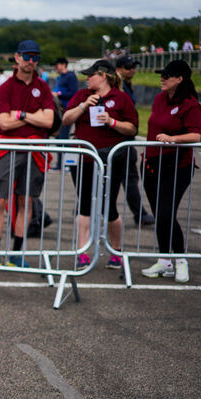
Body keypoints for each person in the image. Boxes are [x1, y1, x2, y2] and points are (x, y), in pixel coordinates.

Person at [62, 59, 138, 271]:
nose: (87, 78)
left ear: (103, 76)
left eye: (91, 74)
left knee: (109, 206)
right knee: (84, 203)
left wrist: (111, 122)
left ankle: (117, 251)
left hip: (112, 160)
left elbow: (132, 128)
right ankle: (82, 252)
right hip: (84, 159)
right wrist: (83, 106)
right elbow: (66, 119)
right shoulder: (82, 95)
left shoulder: (121, 98)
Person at [0, 40, 55, 267]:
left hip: (34, 149)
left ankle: (16, 253)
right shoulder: (5, 87)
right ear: (17, 57)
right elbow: (4, 123)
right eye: (27, 57)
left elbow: (49, 120)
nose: (31, 62)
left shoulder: (43, 87)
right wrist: (33, 117)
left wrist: (22, 115)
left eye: (36, 57)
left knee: (26, 201)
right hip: (9, 148)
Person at [140, 60, 201, 283]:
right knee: (160, 215)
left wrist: (172, 139)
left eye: (167, 75)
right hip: (151, 164)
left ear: (180, 79)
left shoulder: (190, 104)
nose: (162, 78)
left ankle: (181, 259)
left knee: (167, 213)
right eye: (162, 74)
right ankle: (165, 260)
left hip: (177, 166)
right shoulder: (159, 99)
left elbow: (196, 135)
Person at [116, 55, 157, 226]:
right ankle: (139, 213)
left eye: (133, 66)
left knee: (123, 178)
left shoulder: (126, 85)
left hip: (126, 140)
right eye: (128, 66)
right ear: (119, 68)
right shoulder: (118, 86)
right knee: (128, 178)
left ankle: (84, 206)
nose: (132, 69)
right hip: (121, 140)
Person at [50, 57, 78, 169]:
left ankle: (68, 164)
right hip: (59, 111)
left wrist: (59, 94)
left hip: (67, 111)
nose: (55, 68)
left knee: (64, 138)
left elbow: (73, 92)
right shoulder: (60, 77)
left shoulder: (70, 76)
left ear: (63, 65)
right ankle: (60, 163)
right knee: (58, 138)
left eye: (56, 65)